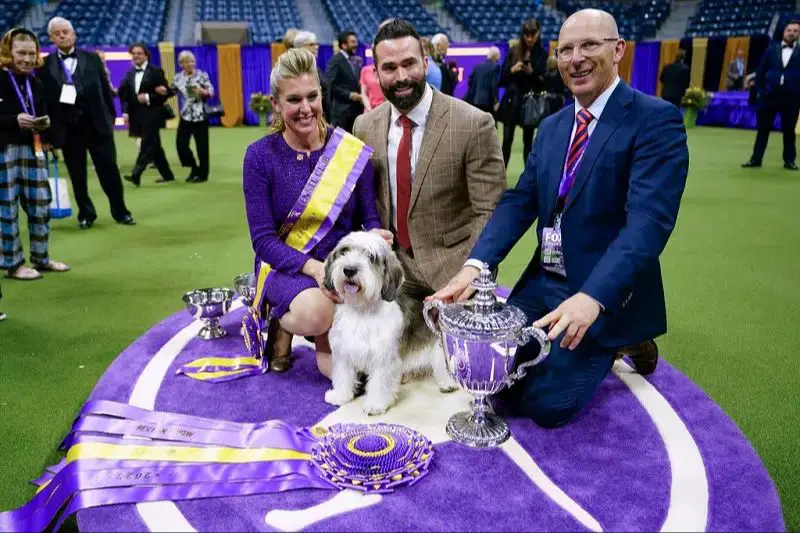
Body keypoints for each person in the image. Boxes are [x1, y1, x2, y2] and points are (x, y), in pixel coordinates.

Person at [431, 9, 689, 428]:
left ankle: (623, 338)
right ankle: (612, 339)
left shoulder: (655, 120)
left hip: (599, 288)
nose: (576, 58)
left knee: (547, 406)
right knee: (495, 380)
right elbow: (520, 201)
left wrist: (593, 298)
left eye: (590, 45)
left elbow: (647, 224)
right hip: (546, 280)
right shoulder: (552, 127)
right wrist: (476, 266)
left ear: (618, 50)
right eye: (566, 49)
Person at [242, 48, 389, 375]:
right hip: (288, 268)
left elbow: (369, 218)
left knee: (354, 373)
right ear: (276, 104)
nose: (306, 108)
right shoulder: (259, 157)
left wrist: (376, 234)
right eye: (294, 100)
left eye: (312, 96)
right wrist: (314, 269)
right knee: (316, 313)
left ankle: (330, 334)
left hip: (343, 270)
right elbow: (263, 240)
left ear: (322, 95)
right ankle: (283, 321)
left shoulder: (349, 151)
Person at [352, 19, 506, 301]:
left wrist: (471, 270)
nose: (401, 76)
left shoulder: (473, 123)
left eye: (409, 63)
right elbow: (365, 203)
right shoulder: (364, 126)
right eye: (389, 68)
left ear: (425, 63)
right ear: (375, 73)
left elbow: (491, 212)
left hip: (454, 272)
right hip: (389, 279)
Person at [38, 17, 135, 229]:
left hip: (98, 126)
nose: (62, 35)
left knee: (109, 171)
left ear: (74, 35)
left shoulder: (93, 59)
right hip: (68, 130)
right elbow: (44, 103)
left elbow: (106, 92)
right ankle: (86, 213)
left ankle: (120, 211)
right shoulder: (44, 66)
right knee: (77, 175)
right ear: (51, 38)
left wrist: (110, 119)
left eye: (66, 31)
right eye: (57, 33)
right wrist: (47, 135)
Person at [0, 28, 70, 281]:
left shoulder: (36, 82)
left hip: (33, 149)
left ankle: (41, 258)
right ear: (8, 52)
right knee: (6, 209)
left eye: (31, 53)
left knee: (40, 205)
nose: (27, 59)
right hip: (4, 151)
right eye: (21, 53)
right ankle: (13, 264)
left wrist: (45, 127)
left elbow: (45, 113)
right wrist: (12, 120)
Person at [743, 20, 800, 170]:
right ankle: (756, 159)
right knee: (762, 130)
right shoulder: (770, 50)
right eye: (790, 30)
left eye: (795, 31)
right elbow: (760, 71)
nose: (792, 33)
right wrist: (761, 91)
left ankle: (789, 161)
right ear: (784, 32)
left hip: (791, 97)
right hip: (769, 96)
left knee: (789, 131)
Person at [119, 43, 176, 186]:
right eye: (134, 53)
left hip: (153, 113)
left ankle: (136, 174)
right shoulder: (130, 74)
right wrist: (125, 112)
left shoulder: (156, 71)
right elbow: (125, 96)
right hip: (137, 115)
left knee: (146, 143)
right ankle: (167, 175)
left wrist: (149, 97)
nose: (136, 56)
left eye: (139, 53)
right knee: (154, 146)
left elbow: (168, 92)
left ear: (146, 55)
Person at [496, 19, 548, 167]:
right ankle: (500, 180)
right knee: (506, 142)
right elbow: (501, 80)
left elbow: (543, 83)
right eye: (526, 34)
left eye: (532, 34)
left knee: (528, 144)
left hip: (529, 102)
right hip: (512, 101)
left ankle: (528, 183)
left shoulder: (541, 55)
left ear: (538, 34)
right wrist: (513, 69)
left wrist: (531, 73)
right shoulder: (513, 51)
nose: (529, 38)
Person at [171, 50, 214, 183]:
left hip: (200, 115)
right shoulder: (178, 78)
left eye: (192, 61)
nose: (190, 64)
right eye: (187, 62)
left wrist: (202, 91)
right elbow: (171, 90)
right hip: (186, 116)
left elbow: (211, 92)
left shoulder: (202, 75)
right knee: (181, 145)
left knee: (202, 147)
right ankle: (193, 167)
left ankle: (203, 174)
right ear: (181, 64)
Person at [326, 31, 363, 133]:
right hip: (341, 114)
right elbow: (331, 86)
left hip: (355, 113)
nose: (356, 44)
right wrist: (350, 95)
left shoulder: (354, 61)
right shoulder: (335, 61)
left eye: (356, 42)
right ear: (343, 45)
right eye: (352, 42)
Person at [293, 31, 330, 121]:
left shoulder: (316, 68)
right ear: (300, 47)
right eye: (311, 44)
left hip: (324, 118)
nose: (316, 47)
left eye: (316, 44)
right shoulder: (296, 69)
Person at [466, 46, 501, 115]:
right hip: (488, 103)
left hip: (475, 101)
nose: (500, 57)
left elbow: (470, 81)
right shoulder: (496, 67)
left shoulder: (478, 66)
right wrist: (496, 101)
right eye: (499, 55)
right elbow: (494, 85)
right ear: (495, 56)